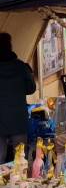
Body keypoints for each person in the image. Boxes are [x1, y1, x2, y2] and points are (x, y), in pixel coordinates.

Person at [0, 33, 35, 162]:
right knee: (20, 159)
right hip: (18, 120)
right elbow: (31, 89)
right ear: (10, 46)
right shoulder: (21, 67)